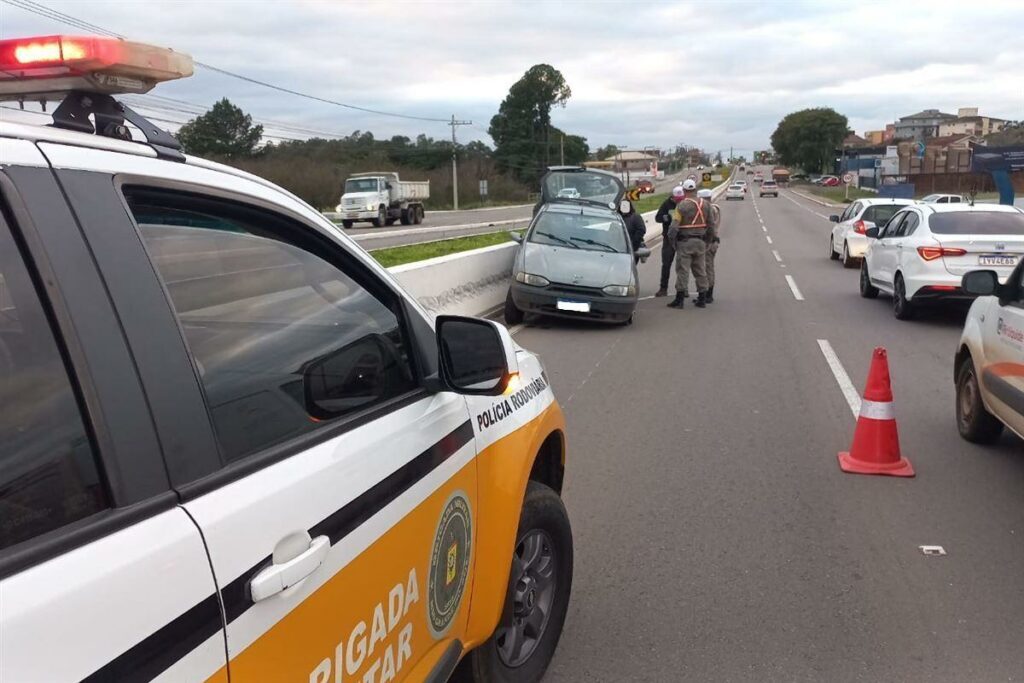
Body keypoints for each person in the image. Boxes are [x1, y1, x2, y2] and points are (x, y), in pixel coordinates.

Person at [666, 179, 716, 309]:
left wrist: (672, 241)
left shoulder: (681, 206)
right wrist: (708, 241)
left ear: (684, 190)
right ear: (695, 189)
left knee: (683, 270)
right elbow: (711, 225)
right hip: (700, 242)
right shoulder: (706, 204)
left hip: (685, 242)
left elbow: (674, 227)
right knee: (700, 270)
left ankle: (680, 299)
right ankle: (702, 298)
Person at [654, 185, 685, 296]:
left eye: (681, 199)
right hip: (668, 239)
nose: (679, 201)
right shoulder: (666, 204)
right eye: (677, 199)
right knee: (666, 264)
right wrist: (667, 217)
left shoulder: (686, 203)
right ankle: (663, 288)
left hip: (682, 238)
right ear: (672, 197)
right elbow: (657, 218)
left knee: (683, 265)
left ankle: (683, 289)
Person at [697, 188, 722, 303]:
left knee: (707, 268)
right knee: (705, 268)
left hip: (709, 242)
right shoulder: (715, 208)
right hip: (711, 241)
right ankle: (705, 293)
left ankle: (708, 294)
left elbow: (708, 227)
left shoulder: (710, 210)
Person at [620, 197, 647, 263]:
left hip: (632, 248)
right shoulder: (619, 218)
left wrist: (633, 244)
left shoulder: (635, 217)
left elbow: (641, 230)